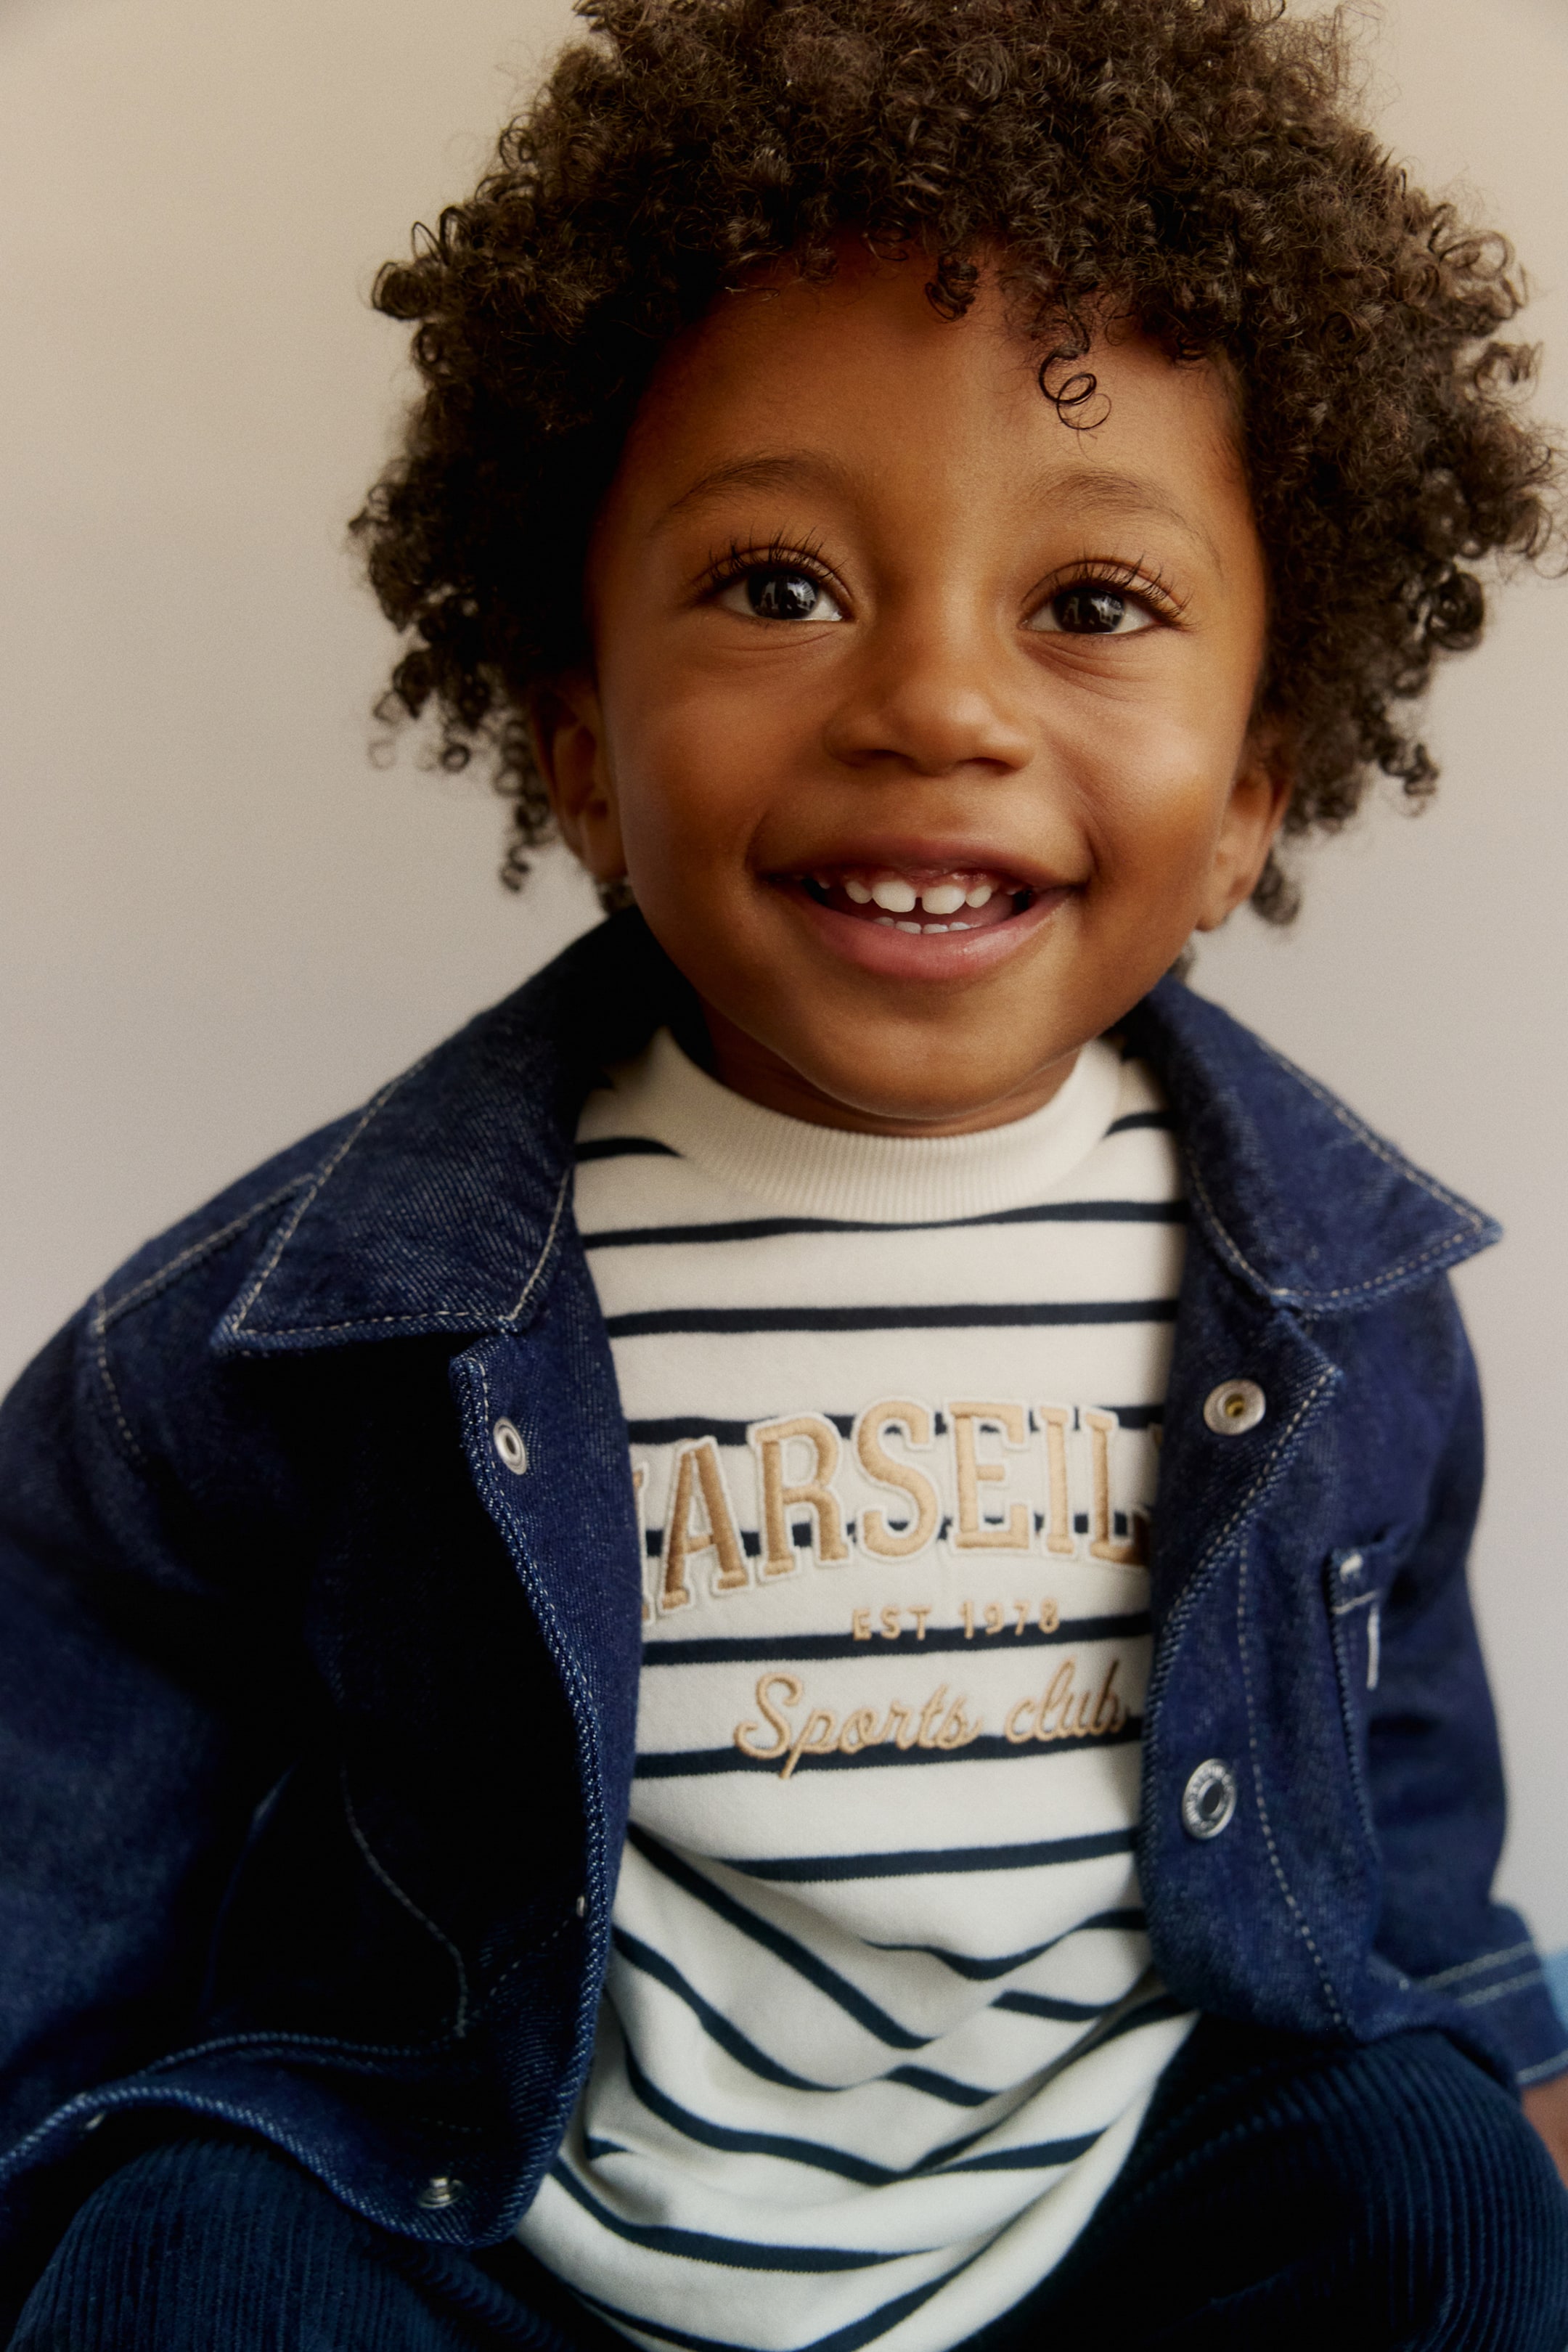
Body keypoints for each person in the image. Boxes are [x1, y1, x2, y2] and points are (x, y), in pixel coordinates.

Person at [2, 0, 1567, 2343]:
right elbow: (65, 1730)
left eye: (1094, 604)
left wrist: (1494, 2047)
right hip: (503, 2226)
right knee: (182, 2258)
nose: (934, 704)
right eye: (778, 586)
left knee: (1437, 2192)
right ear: (584, 750)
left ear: (1253, 789)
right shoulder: (322, 1315)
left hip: (1090, 2229)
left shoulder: (1332, 1291)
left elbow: (1399, 1766)